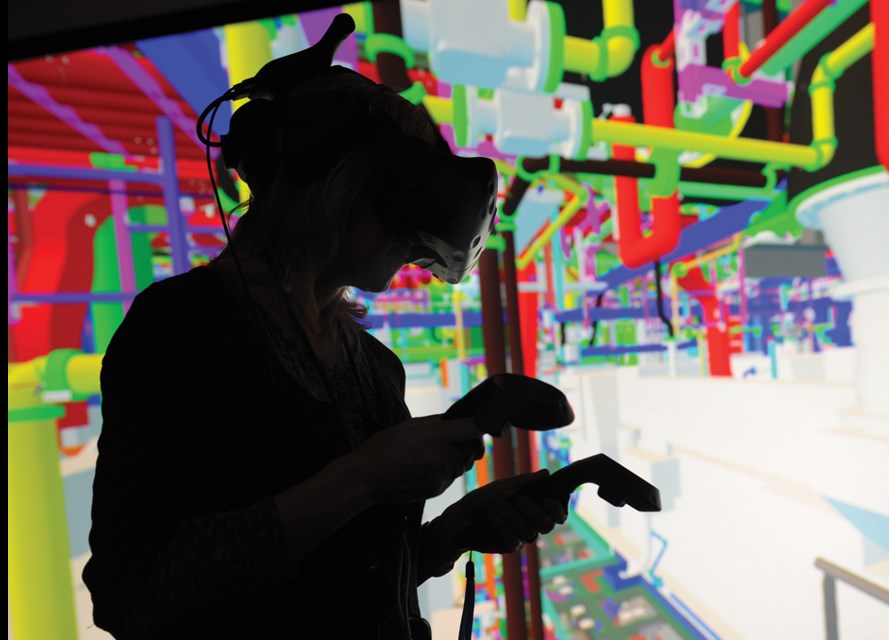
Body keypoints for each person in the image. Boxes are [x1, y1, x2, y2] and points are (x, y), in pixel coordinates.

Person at [82, 52, 568, 640]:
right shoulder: (182, 327)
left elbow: (348, 572)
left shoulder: (376, 367)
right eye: (404, 188)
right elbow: (131, 594)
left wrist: (451, 536)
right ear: (330, 178)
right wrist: (358, 480)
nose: (420, 226)